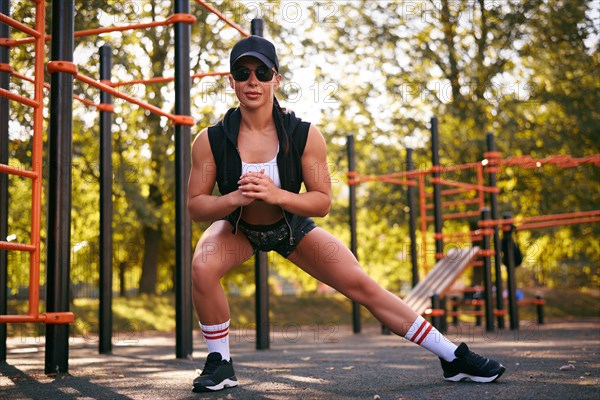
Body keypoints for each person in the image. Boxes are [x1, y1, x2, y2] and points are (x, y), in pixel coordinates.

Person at [187, 35, 505, 393]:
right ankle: (221, 363)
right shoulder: (209, 139)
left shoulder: (305, 135)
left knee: (363, 286)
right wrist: (234, 198)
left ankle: (453, 356)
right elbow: (196, 206)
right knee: (202, 265)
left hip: (291, 228)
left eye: (262, 72)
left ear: (276, 78)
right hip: (239, 228)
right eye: (242, 73)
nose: (252, 81)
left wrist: (277, 195)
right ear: (231, 81)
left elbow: (322, 202)